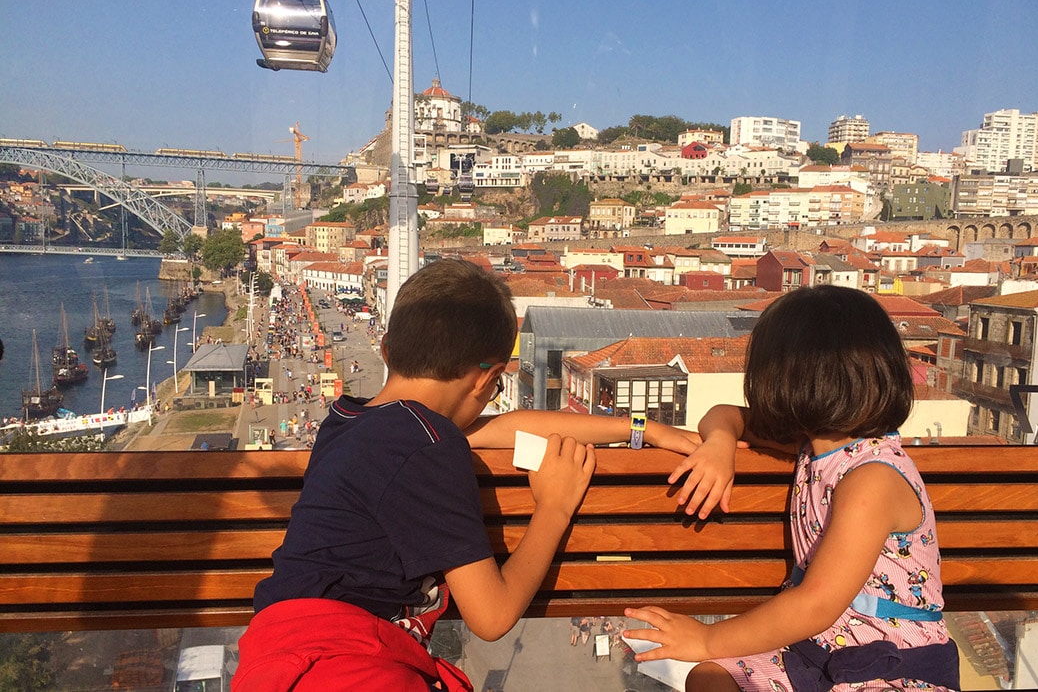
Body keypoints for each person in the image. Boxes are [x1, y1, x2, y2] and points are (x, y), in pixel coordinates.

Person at [233, 259, 721, 692]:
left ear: (385, 349)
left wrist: (641, 429)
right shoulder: (429, 445)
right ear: (488, 379)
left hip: (280, 655)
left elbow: (506, 426)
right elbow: (492, 616)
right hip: (344, 664)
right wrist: (554, 507)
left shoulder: (351, 421)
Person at [624, 285, 960, 692]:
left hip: (891, 666)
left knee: (710, 665)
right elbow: (724, 414)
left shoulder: (873, 478)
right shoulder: (814, 444)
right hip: (817, 653)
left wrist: (707, 638)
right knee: (710, 679)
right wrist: (720, 443)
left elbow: (815, 604)